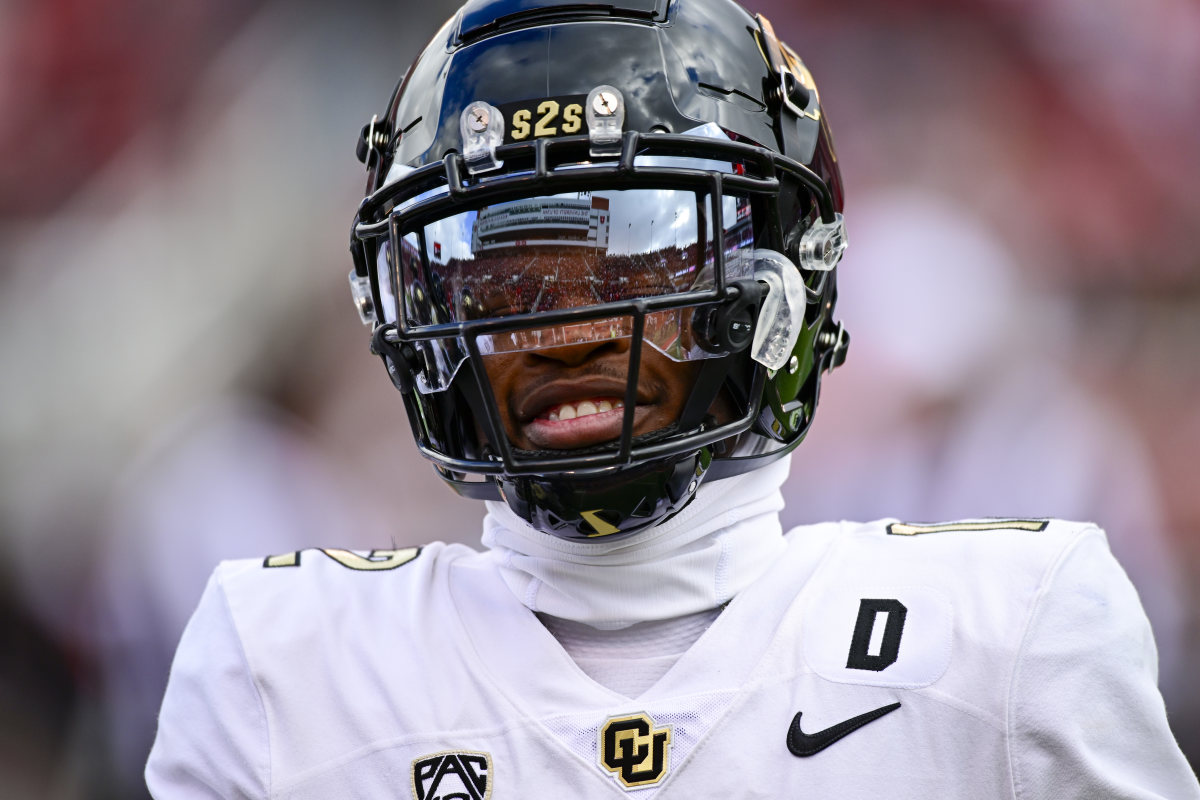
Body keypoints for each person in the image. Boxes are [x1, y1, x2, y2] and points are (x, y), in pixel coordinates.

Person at [146, 0, 1200, 797]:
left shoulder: (1014, 635)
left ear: (783, 281)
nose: (562, 333)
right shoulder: (281, 660)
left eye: (632, 259)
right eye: (502, 281)